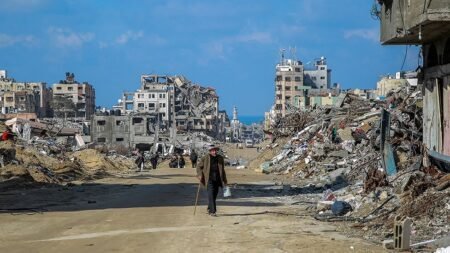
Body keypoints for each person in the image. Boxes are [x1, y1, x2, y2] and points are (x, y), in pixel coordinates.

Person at [196, 145, 228, 216]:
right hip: (209, 179)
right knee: (211, 194)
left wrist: (225, 180)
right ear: (210, 151)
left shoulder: (220, 158)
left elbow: (222, 170)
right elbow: (199, 167)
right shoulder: (205, 158)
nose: (214, 152)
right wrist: (199, 174)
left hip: (217, 179)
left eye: (215, 150)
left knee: (214, 195)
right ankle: (213, 211)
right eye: (212, 150)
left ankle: (209, 207)